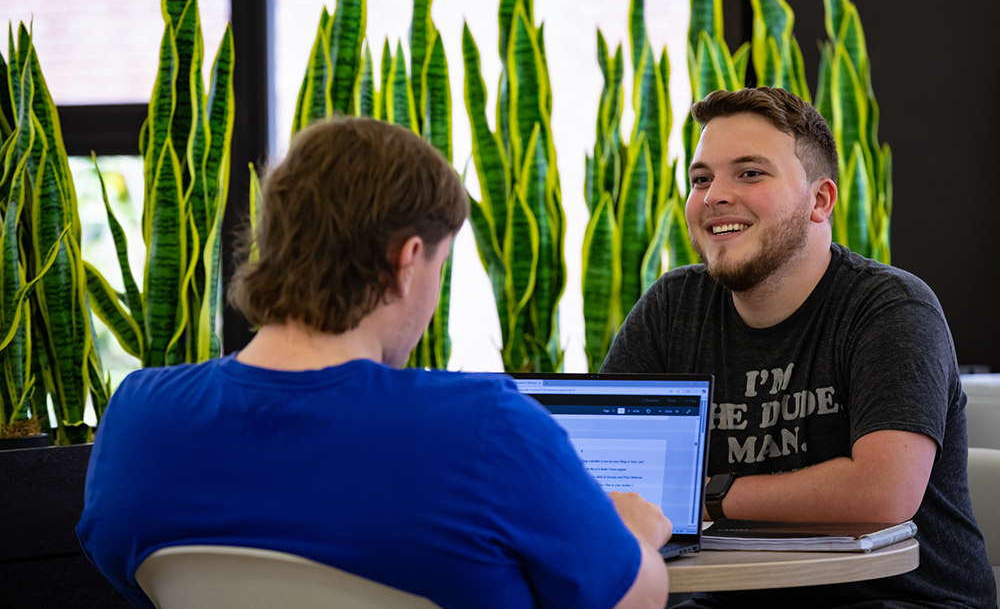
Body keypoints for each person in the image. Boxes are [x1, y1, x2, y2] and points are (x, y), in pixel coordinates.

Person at [77, 116, 672, 609]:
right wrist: (636, 535)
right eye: (440, 268)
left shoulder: (138, 417)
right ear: (407, 261)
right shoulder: (486, 426)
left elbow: (127, 572)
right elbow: (633, 600)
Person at [602, 87, 996, 608]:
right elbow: (604, 469)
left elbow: (883, 494)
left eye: (750, 172)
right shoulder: (672, 306)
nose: (714, 195)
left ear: (820, 200)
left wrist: (707, 495)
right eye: (701, 178)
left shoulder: (890, 307)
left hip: (903, 600)